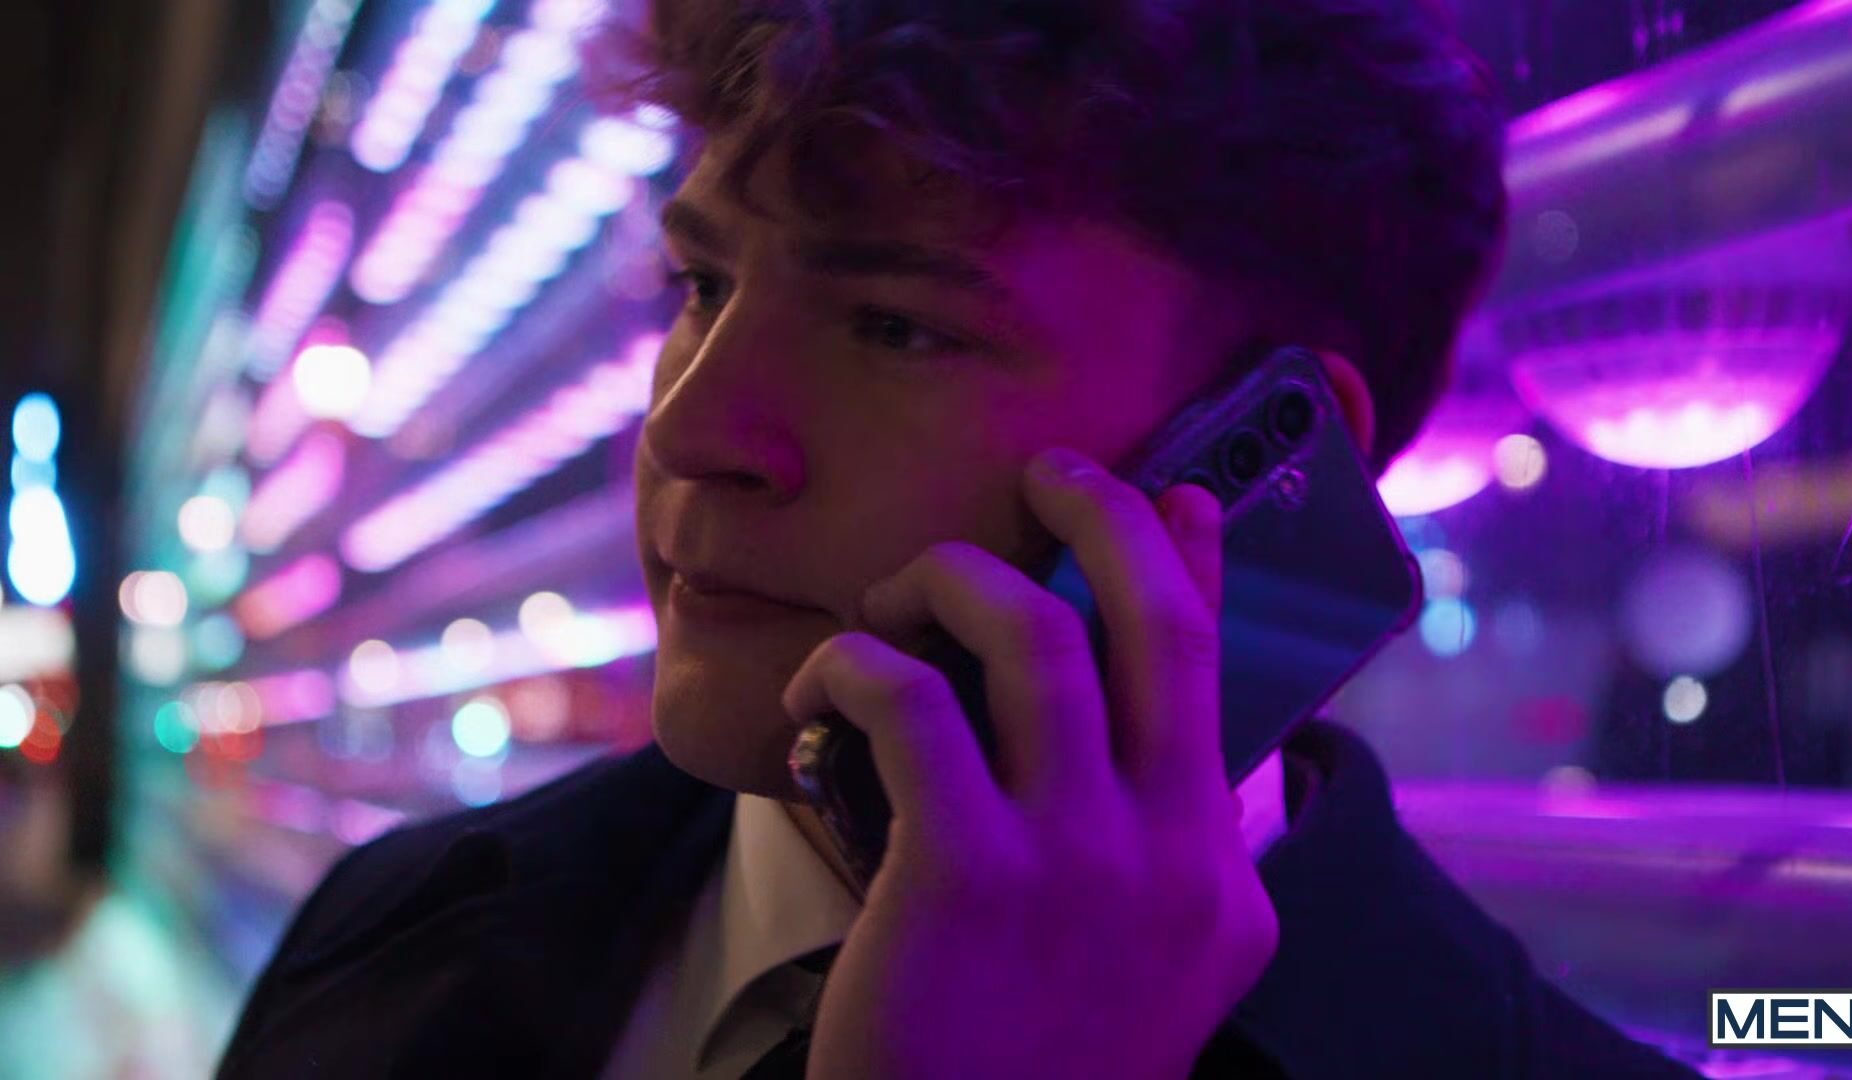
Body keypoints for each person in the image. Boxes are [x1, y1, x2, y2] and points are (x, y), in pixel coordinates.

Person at [217, 1, 1704, 1076]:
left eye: (896, 327)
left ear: (1275, 460)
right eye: (700, 287)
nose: (691, 427)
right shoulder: (391, 928)